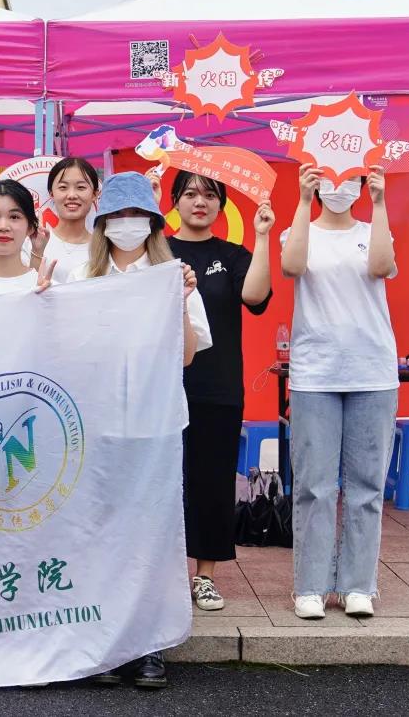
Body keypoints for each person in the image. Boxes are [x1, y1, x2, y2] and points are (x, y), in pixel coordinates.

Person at [68, 171, 211, 688]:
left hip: (155, 423)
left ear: (151, 222)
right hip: (100, 423)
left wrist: (180, 301)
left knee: (153, 530)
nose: (127, 224)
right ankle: (107, 642)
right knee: (102, 527)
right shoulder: (83, 277)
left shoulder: (172, 275)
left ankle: (150, 643)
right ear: (103, 222)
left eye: (137, 215)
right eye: (118, 216)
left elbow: (188, 355)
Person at [280, 165, 398, 621]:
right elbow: (291, 266)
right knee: (315, 485)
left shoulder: (372, 230)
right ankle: (310, 586)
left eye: (349, 179)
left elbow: (381, 267)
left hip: (372, 371)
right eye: (329, 177)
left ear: (360, 184)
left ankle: (357, 586)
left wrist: (380, 202)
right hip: (316, 373)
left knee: (366, 485)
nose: (338, 187)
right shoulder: (300, 229)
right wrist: (302, 200)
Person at [167, 171, 274, 612]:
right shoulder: (157, 252)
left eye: (210, 195)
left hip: (218, 387)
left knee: (211, 482)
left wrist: (262, 237)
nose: (200, 202)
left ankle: (205, 575)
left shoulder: (233, 255)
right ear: (174, 201)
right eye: (190, 193)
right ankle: (163, 573)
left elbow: (256, 297)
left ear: (221, 205)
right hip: (163, 387)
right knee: (162, 482)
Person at [28, 157, 99, 282]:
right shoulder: (33, 242)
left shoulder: (102, 248)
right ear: (51, 194)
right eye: (63, 187)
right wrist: (37, 252)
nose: (72, 195)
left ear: (94, 194)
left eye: (81, 187)